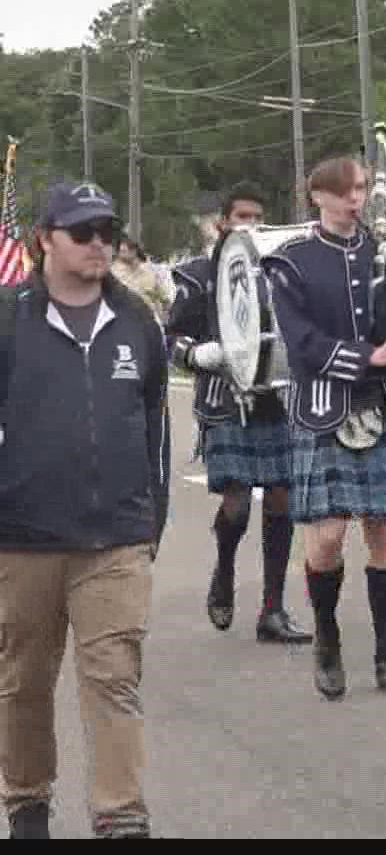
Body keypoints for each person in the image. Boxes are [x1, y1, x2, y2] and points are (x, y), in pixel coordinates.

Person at [0, 182, 168, 839]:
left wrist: (150, 518)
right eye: (82, 231)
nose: (100, 243)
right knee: (22, 685)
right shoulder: (9, 319)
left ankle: (121, 817)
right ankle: (28, 804)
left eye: (107, 230)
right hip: (22, 538)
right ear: (45, 239)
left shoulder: (136, 322)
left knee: (115, 675)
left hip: (115, 539)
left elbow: (154, 424)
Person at [262, 156, 386, 702]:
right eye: (342, 191)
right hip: (323, 404)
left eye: (361, 188)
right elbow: (302, 345)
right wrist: (370, 355)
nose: (354, 199)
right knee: (329, 538)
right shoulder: (290, 262)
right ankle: (328, 641)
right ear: (317, 196)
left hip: (382, 404)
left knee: (384, 532)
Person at [164, 183, 310, 645]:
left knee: (284, 499)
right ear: (223, 222)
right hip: (225, 399)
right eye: (241, 216)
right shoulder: (197, 275)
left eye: (256, 217)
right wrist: (197, 356)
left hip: (276, 400)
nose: (249, 224)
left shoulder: (279, 270)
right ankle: (225, 568)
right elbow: (170, 340)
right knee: (238, 503)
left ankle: (273, 608)